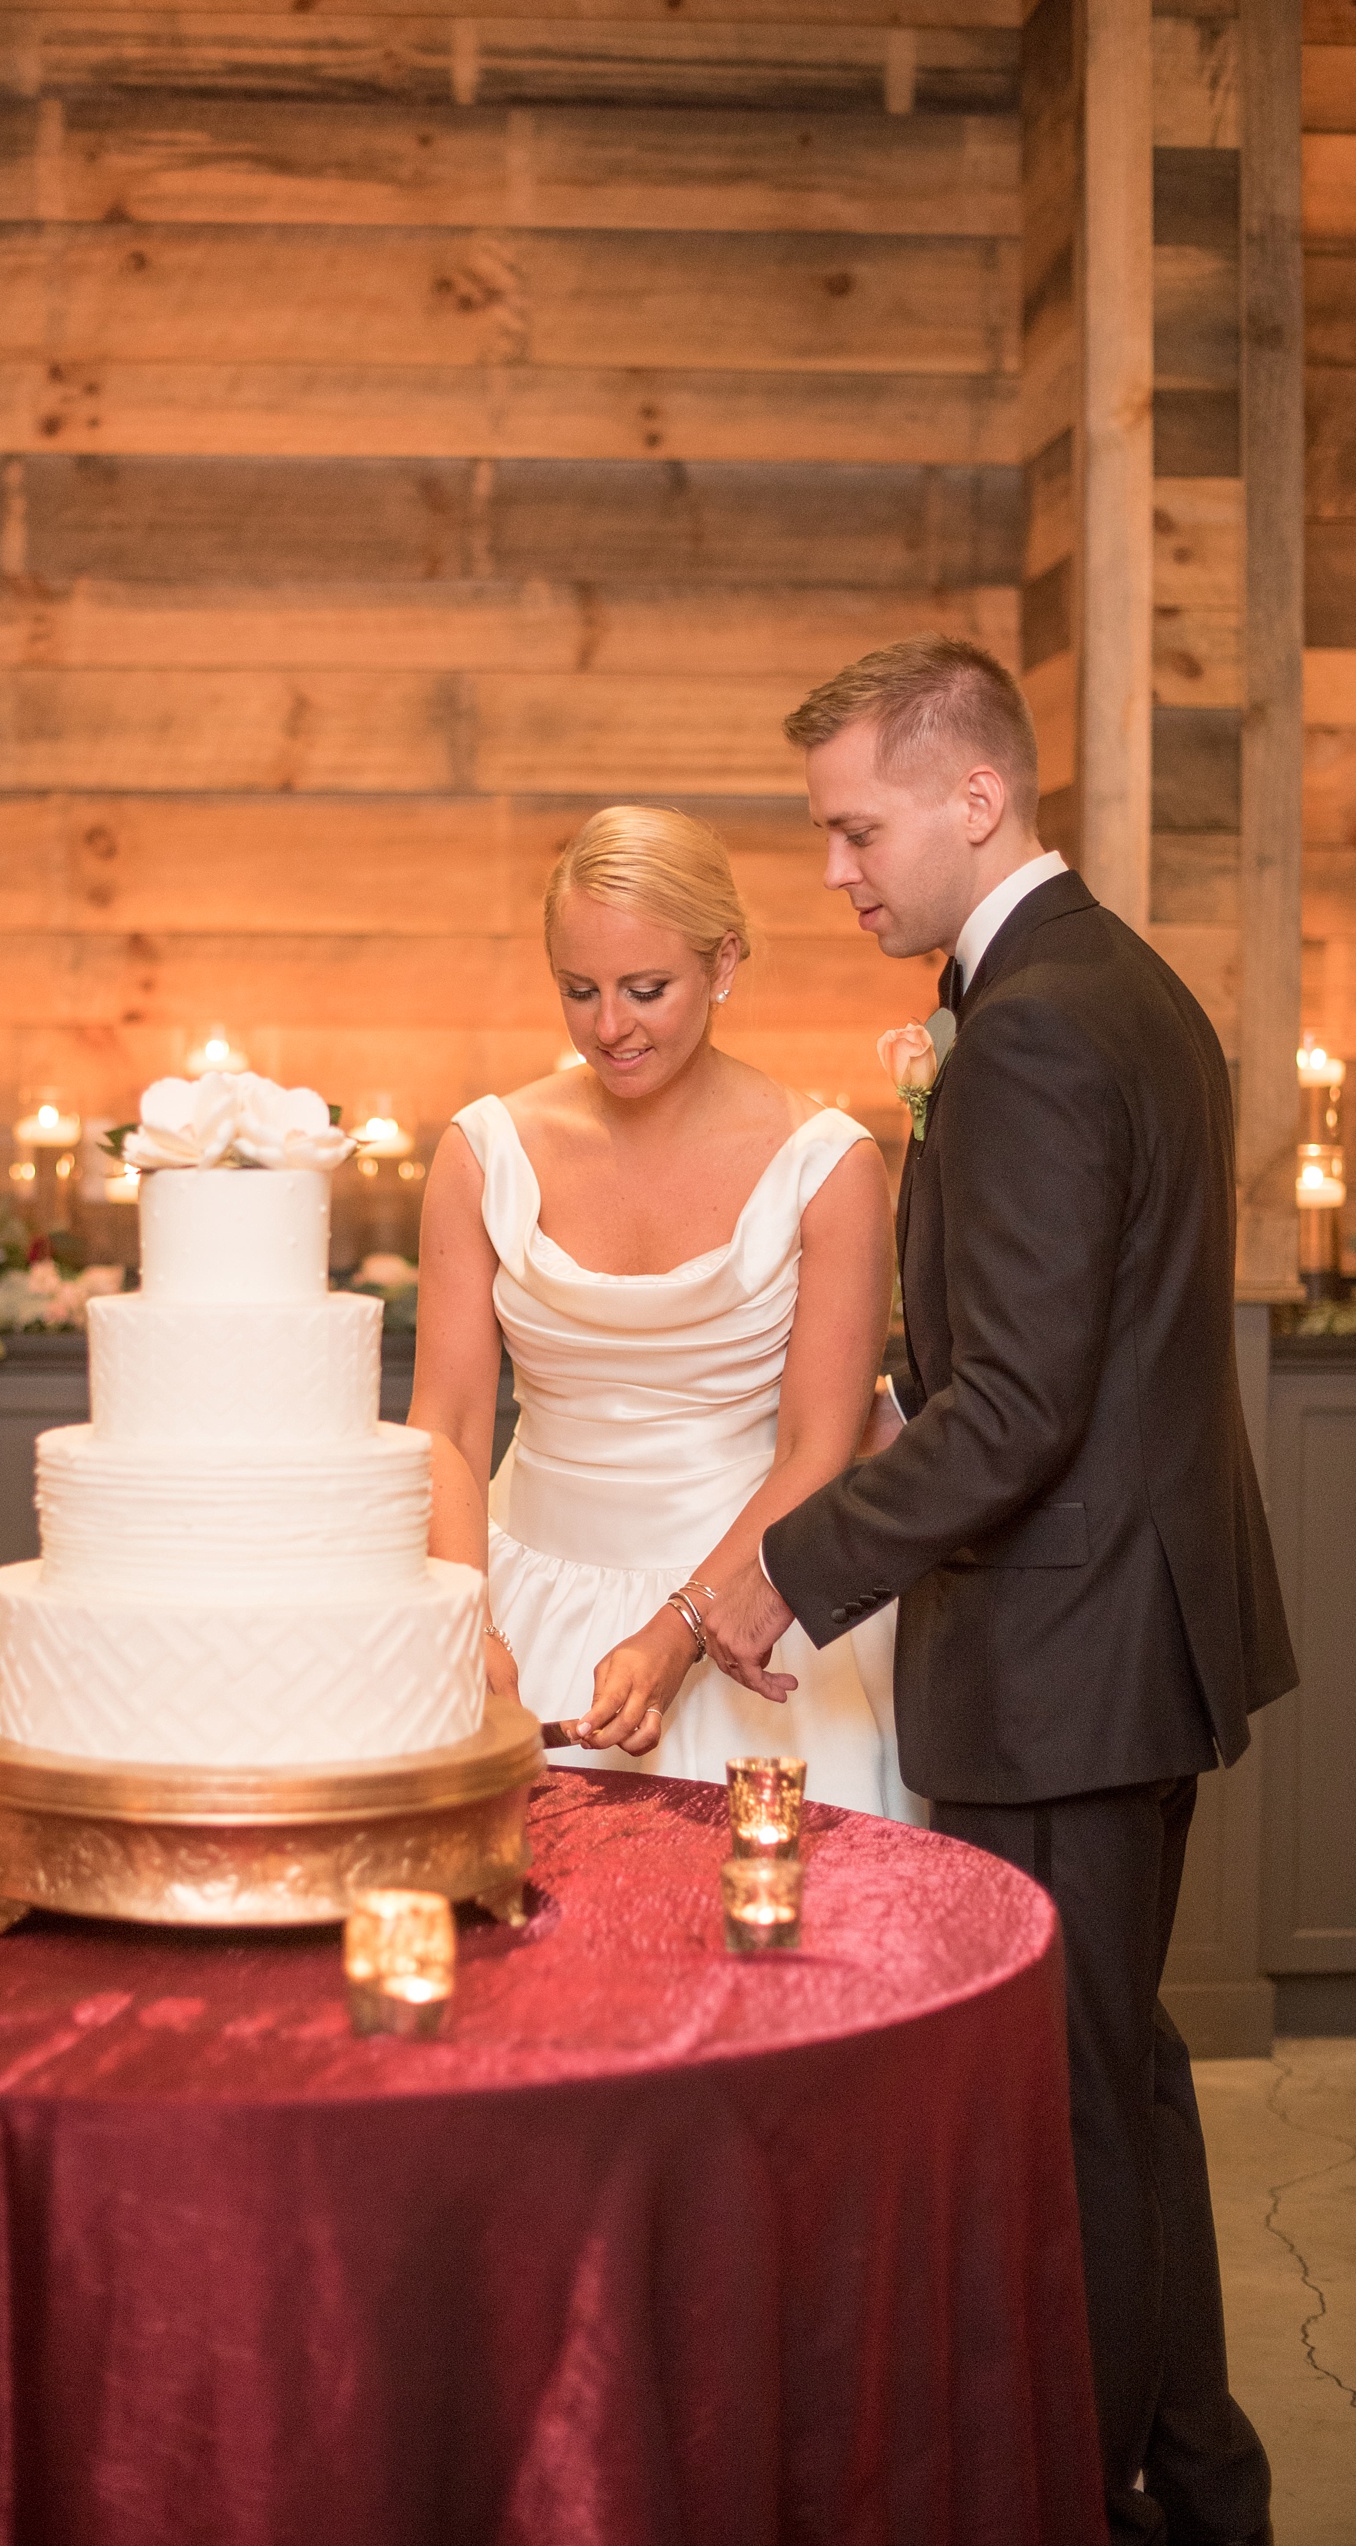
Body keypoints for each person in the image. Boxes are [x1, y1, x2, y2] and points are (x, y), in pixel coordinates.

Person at [701, 636, 1295, 2546]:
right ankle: (1198, 2478)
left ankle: (1105, 2498)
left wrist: (786, 1574)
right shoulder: (1113, 984)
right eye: (822, 833)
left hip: (1067, 1639)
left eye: (856, 826)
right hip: (1128, 1622)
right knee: (1122, 2071)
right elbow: (1068, 1347)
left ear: (977, 797)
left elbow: (1026, 1408)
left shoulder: (1031, 1023)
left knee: (1074, 2104)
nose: (835, 870)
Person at [408, 804, 923, 1814]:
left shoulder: (827, 1165)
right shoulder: (482, 1150)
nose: (610, 1027)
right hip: (514, 1597)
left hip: (746, 1605)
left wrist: (680, 1623)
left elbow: (816, 1446)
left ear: (721, 961)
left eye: (646, 989)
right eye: (578, 989)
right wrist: (461, 1618)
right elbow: (450, 1423)